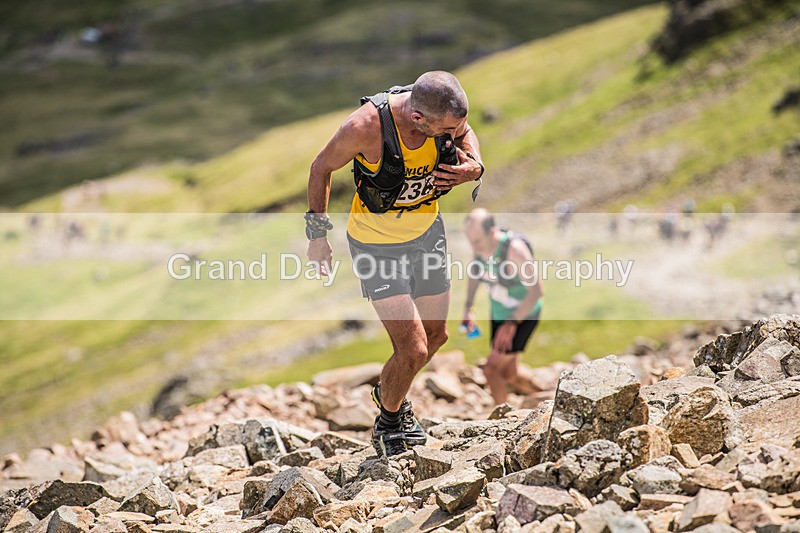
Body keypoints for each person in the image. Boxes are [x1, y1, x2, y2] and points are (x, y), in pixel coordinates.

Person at [306, 71, 484, 457]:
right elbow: (320, 168)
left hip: (427, 235)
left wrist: (475, 167)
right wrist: (317, 236)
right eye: (448, 131)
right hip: (376, 246)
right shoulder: (366, 126)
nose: (455, 136)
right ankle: (389, 420)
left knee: (437, 337)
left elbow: (467, 133)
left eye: (457, 127)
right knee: (415, 350)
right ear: (418, 119)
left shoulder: (445, 114)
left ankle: (388, 388)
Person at [462, 208, 544, 405]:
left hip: (522, 315)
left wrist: (511, 324)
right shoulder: (481, 246)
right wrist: (468, 307)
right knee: (508, 374)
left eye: (477, 241)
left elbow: (536, 291)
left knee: (491, 370)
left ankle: (501, 422)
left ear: (492, 232)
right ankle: (545, 396)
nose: (474, 247)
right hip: (499, 312)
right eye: (470, 241)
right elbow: (476, 272)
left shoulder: (514, 251)